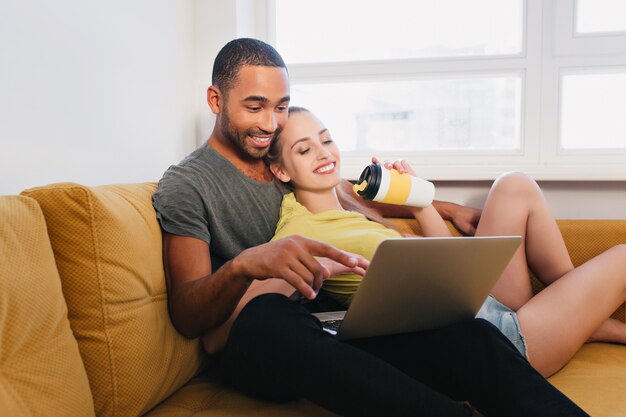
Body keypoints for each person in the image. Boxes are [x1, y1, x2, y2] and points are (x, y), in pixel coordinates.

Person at [153, 38, 589, 416]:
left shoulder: (281, 160)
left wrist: (447, 207)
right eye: (255, 107)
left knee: (467, 335)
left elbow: (344, 189)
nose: (271, 123)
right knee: (269, 316)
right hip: (261, 338)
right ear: (215, 100)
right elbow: (189, 314)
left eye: (281, 107)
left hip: (328, 328)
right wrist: (246, 265)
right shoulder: (188, 185)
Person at [266, 105, 626, 379]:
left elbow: (449, 267)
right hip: (502, 342)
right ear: (281, 170)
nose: (324, 153)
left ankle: (580, 311)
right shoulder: (299, 232)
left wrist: (419, 200)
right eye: (304, 150)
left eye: (325, 139)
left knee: (514, 185)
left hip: (482, 304)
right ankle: (584, 316)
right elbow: (254, 304)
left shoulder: (351, 206)